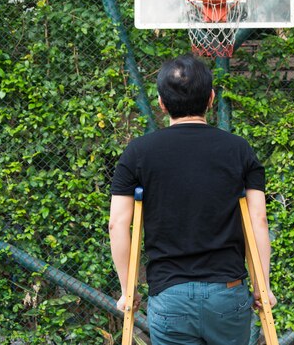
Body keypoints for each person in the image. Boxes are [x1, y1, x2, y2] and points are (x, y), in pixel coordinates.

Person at [108, 54, 276, 345]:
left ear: (161, 103)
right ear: (211, 98)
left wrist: (128, 290)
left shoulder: (138, 153)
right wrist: (264, 287)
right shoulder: (238, 150)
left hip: (169, 297)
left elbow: (118, 225)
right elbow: (258, 220)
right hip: (227, 293)